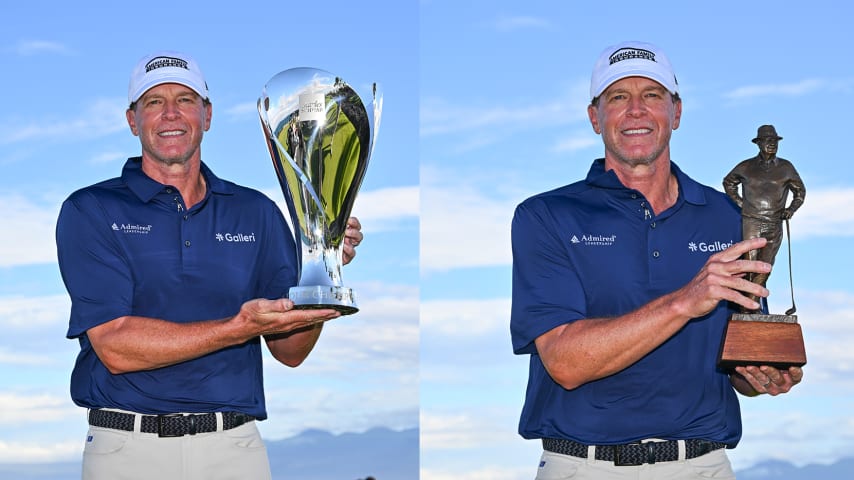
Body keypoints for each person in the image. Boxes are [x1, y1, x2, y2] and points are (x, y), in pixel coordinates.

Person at [55, 50, 364, 480]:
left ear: (207, 114)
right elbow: (116, 347)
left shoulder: (257, 212)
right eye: (153, 102)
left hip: (234, 449)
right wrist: (239, 327)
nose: (170, 114)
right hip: (126, 450)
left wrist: (323, 266)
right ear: (132, 120)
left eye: (184, 99)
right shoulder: (91, 210)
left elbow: (290, 351)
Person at [510, 41, 804, 479]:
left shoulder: (728, 217)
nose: (635, 110)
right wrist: (685, 300)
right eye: (617, 97)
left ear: (676, 112)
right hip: (583, 467)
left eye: (651, 95)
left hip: (702, 465)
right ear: (595, 117)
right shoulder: (546, 215)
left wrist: (760, 374)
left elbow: (739, 349)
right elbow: (566, 363)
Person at [723, 125, 805, 310]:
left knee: (766, 266)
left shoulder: (786, 167)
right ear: (759, 143)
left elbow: (800, 191)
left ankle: (749, 304)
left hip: (774, 223)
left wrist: (791, 209)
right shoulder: (746, 166)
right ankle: (750, 305)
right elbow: (728, 182)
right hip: (752, 220)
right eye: (768, 141)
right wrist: (741, 203)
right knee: (751, 266)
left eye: (775, 141)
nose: (772, 145)